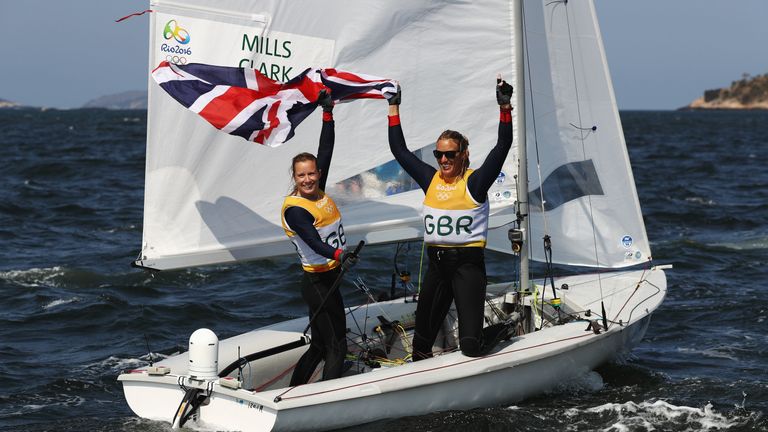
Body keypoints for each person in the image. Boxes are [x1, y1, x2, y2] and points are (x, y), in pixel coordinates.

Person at [386, 76, 514, 360]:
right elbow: (399, 151)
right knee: (420, 346)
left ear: (462, 155)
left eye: (449, 154)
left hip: (467, 268)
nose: (443, 160)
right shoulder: (430, 179)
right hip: (437, 268)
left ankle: (504, 329)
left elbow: (502, 147)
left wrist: (505, 107)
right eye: (438, 154)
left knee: (470, 346)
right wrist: (393, 107)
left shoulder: (475, 183)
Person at [281, 89, 357, 385]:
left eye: (312, 174)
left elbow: (326, 150)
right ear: (295, 178)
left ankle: (296, 391)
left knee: (319, 344)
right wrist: (340, 255)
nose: (308, 179)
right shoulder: (295, 211)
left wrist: (328, 114)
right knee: (337, 344)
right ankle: (327, 396)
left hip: (329, 279)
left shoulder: (317, 189)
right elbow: (314, 242)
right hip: (317, 282)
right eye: (302, 176)